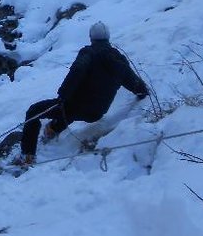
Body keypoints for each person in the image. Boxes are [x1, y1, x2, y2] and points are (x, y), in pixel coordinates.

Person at [18, 21, 148, 165]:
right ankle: (52, 129)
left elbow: (78, 70)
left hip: (76, 106)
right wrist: (143, 92)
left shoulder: (88, 53)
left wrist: (63, 95)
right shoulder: (119, 60)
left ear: (91, 38)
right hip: (97, 112)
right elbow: (133, 82)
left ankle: (27, 156)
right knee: (70, 110)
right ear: (108, 38)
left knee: (34, 111)